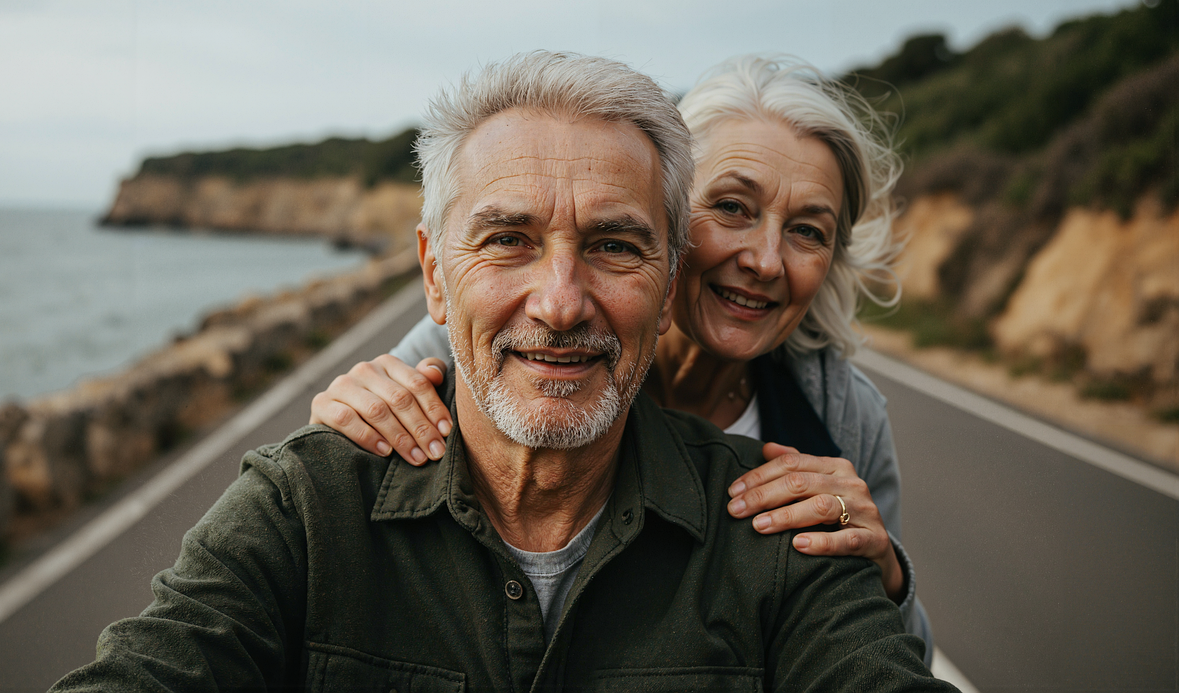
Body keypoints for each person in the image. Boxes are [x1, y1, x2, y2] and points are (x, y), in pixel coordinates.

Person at [52, 52, 948, 691]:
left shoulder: (815, 453)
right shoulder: (341, 469)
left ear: (661, 265)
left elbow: (877, 653)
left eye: (612, 245)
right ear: (437, 276)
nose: (559, 304)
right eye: (733, 208)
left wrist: (885, 569)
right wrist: (333, 436)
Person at [310, 54, 935, 662]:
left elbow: (891, 652)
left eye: (807, 231)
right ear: (665, 220)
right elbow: (370, 437)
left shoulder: (842, 416)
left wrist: (883, 571)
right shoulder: (490, 337)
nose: (766, 259)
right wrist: (347, 415)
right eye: (732, 208)